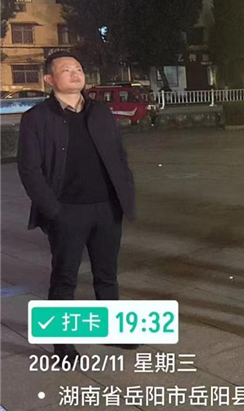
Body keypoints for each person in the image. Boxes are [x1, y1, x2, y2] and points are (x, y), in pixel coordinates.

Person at [17, 51, 136, 362]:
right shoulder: (36, 118)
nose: (75, 73)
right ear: (49, 79)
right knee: (65, 277)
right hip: (66, 211)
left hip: (107, 208)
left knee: (107, 274)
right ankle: (62, 344)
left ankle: (114, 330)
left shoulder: (101, 112)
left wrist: (124, 194)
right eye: (66, 69)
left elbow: (119, 156)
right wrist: (53, 210)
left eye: (79, 68)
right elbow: (29, 169)